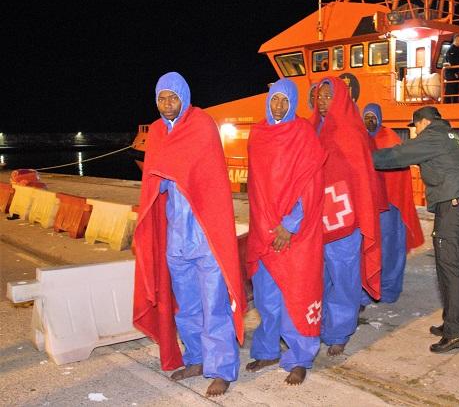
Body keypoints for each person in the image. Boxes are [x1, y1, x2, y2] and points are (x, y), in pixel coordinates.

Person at [133, 72, 246, 397]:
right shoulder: (156, 132)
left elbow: (205, 177)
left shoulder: (201, 125)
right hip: (176, 236)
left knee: (214, 304)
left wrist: (171, 171)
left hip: (204, 234)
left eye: (173, 97)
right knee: (187, 305)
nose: (167, 104)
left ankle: (222, 368)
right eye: (161, 98)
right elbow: (157, 182)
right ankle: (196, 357)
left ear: (184, 96)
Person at [373, 106, 459, 353]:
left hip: (453, 209)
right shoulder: (450, 135)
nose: (415, 132)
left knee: (449, 269)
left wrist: (362, 158)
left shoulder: (432, 136)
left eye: (415, 127)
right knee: (457, 269)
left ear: (422, 123)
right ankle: (453, 322)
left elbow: (398, 156)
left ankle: (456, 333)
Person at [245, 78, 326, 385]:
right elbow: (256, 187)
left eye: (285, 101)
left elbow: (311, 185)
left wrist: (289, 224)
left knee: (297, 294)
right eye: (274, 100)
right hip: (264, 229)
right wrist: (265, 225)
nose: (278, 106)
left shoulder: (303, 134)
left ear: (292, 103)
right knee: (266, 298)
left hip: (294, 232)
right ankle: (267, 350)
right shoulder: (259, 133)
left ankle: (301, 357)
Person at [310, 77, 383, 356]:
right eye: (320, 96)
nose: (323, 101)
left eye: (329, 96)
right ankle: (317, 324)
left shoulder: (352, 131)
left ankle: (339, 331)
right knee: (319, 278)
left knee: (343, 278)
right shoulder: (312, 128)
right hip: (316, 220)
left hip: (344, 220)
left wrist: (360, 214)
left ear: (340, 97)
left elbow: (361, 179)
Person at [361, 103, 425, 306]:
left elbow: (399, 175)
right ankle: (366, 291)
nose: (370, 122)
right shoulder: (359, 139)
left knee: (389, 249)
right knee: (366, 249)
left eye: (373, 117)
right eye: (367, 117)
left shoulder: (390, 139)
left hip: (389, 205)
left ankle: (388, 289)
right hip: (366, 206)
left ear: (379, 118)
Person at [443, 34, 459, 103]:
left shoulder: (457, 49)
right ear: (456, 39)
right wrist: (455, 72)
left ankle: (455, 103)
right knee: (450, 91)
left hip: (455, 73)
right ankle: (447, 105)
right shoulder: (451, 49)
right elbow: (451, 63)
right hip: (451, 74)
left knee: (455, 90)